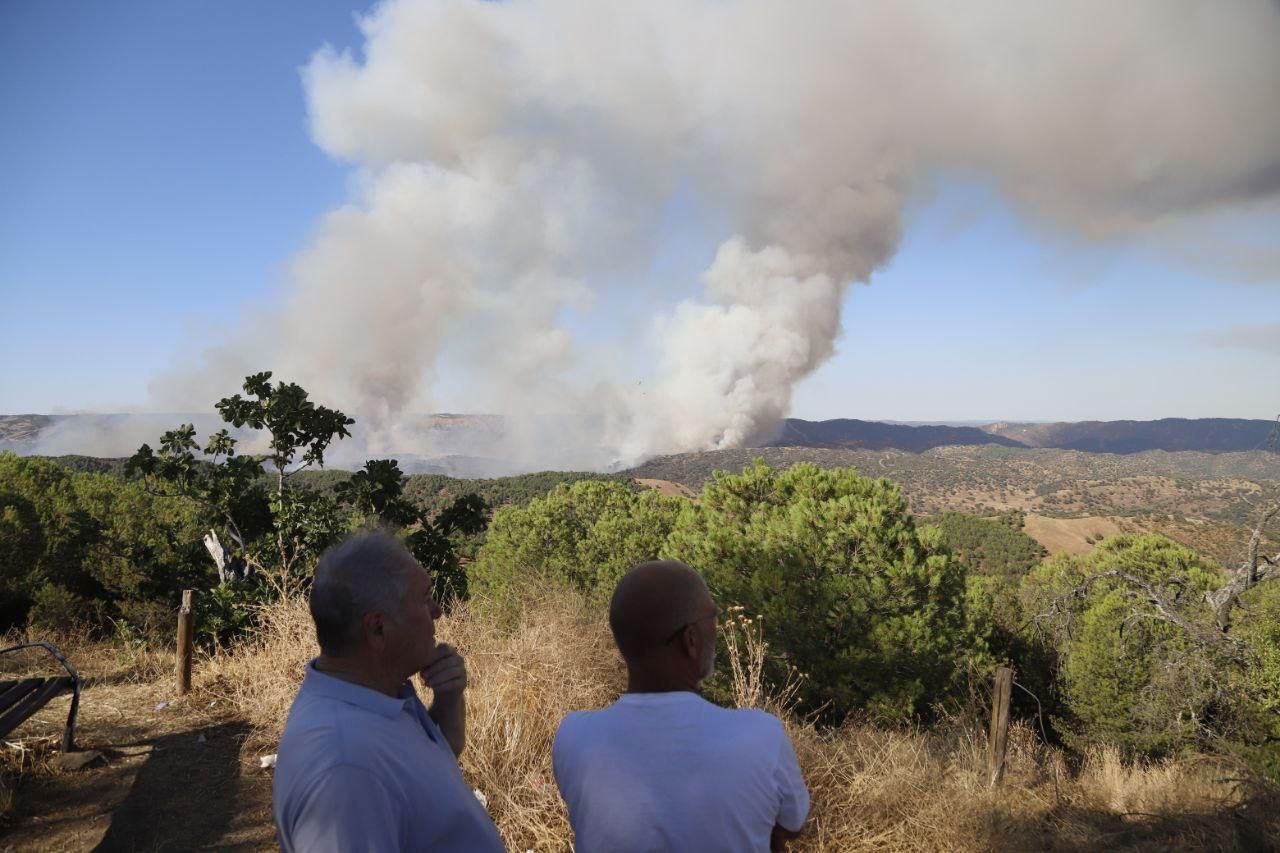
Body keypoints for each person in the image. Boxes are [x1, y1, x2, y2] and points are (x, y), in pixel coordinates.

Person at [272, 531, 505, 852]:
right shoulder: (346, 773)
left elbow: (435, 757)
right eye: (424, 598)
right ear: (378, 628)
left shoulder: (376, 695)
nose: (437, 611)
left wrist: (448, 696)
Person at [553, 560, 809, 852]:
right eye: (712, 620)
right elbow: (792, 825)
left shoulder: (574, 737)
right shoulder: (762, 736)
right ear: (690, 639)